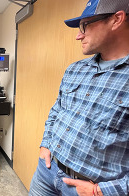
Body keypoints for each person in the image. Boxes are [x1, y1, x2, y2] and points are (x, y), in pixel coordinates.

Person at [29, 0, 129, 195]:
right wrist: (45, 145)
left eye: (85, 25)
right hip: (47, 172)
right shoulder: (75, 70)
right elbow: (57, 110)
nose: (78, 35)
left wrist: (102, 191)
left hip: (87, 190)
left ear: (117, 19)